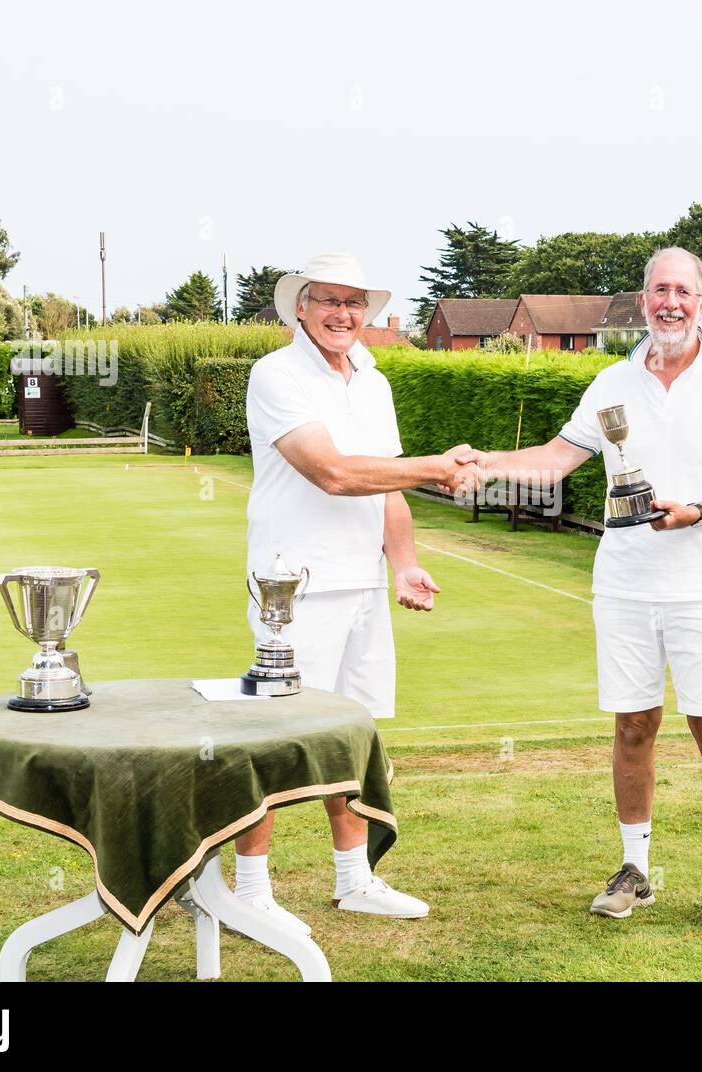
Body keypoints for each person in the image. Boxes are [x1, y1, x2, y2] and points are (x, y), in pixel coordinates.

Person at [473, 247, 702, 937]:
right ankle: (635, 873)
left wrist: (693, 511)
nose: (669, 302)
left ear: (701, 301)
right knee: (633, 726)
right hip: (627, 583)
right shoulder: (609, 382)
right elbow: (555, 459)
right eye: (658, 290)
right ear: (643, 301)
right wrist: (483, 463)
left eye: (682, 291)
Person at [239, 252, 482, 929]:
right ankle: (250, 889)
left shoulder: (373, 378)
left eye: (354, 303)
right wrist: (438, 468)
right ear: (300, 306)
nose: (342, 314)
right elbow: (335, 474)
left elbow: (387, 483)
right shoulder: (276, 374)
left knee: (353, 736)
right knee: (277, 740)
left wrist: (402, 564)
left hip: (362, 584)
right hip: (292, 587)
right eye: (328, 300)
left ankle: (354, 879)